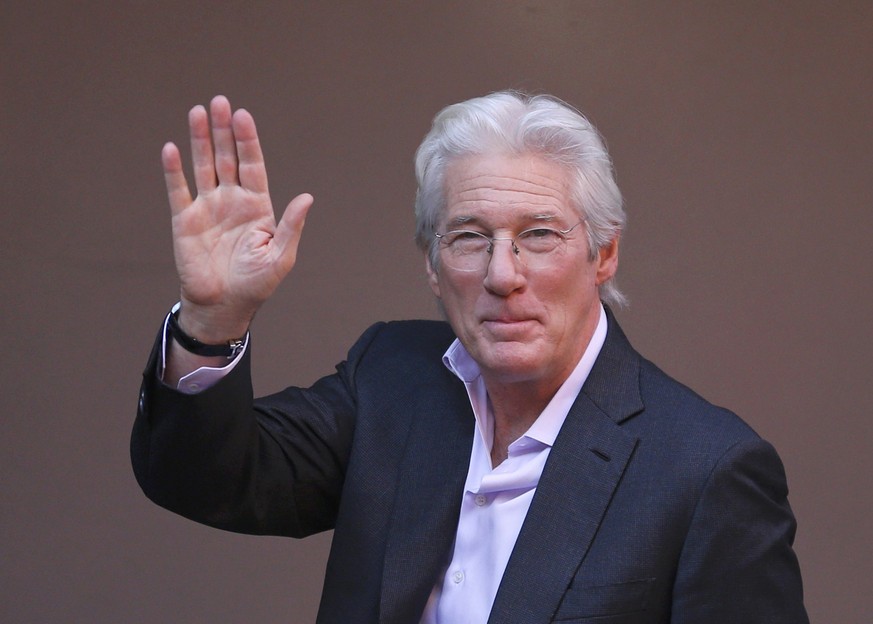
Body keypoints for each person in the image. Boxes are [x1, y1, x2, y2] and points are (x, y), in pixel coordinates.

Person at [132, 91, 808, 623]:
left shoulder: (705, 469)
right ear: (432, 264)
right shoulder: (392, 378)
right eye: (467, 237)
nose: (501, 274)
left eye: (538, 236)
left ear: (603, 254)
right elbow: (203, 479)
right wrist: (214, 318)